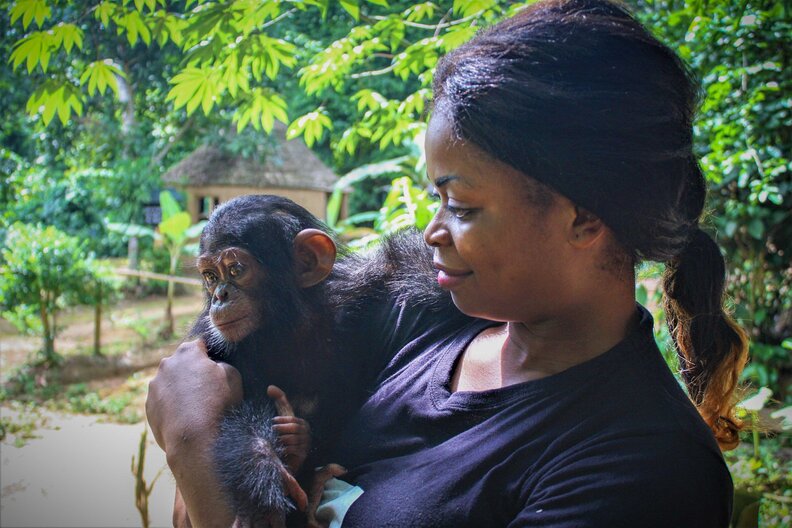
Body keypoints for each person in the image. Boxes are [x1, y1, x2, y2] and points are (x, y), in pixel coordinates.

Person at [146, 0, 749, 526]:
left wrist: (194, 447)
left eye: (459, 204)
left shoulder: (644, 473)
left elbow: (199, 423)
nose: (432, 231)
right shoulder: (430, 312)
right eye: (437, 198)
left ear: (584, 218)